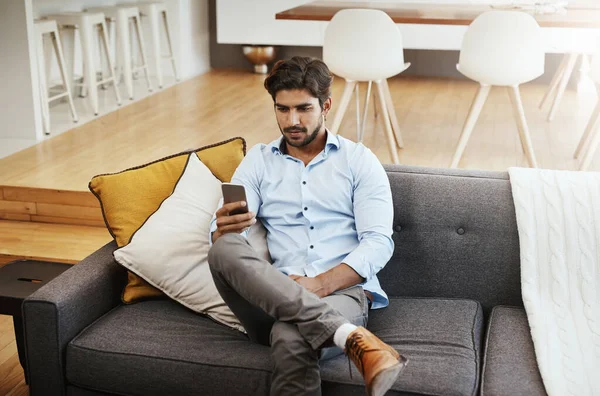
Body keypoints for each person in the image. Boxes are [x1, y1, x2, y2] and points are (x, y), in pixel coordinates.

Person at [208, 56, 407, 396]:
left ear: (326, 105)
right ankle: (350, 338)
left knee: (291, 335)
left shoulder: (358, 161)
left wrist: (320, 284)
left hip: (341, 294)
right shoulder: (258, 160)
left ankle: (336, 326)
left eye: (303, 108)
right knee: (223, 246)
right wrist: (225, 227)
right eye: (282, 109)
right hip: (269, 296)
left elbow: (378, 243)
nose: (292, 120)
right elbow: (228, 238)